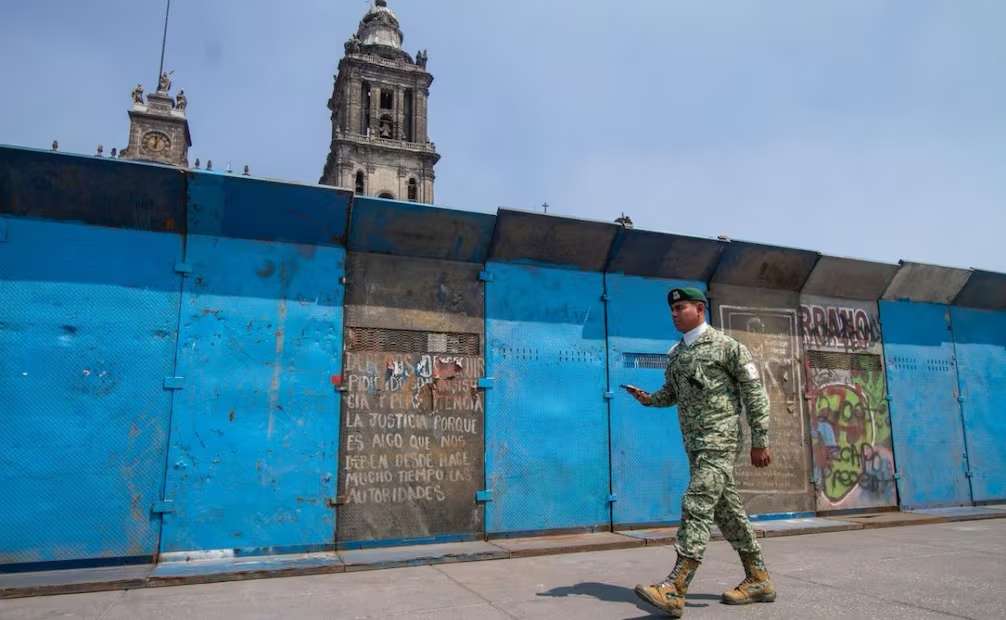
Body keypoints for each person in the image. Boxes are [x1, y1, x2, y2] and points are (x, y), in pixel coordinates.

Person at [626, 287, 776, 618]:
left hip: (720, 440)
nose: (674, 313)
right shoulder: (677, 353)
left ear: (699, 308)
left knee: (696, 502)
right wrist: (648, 399)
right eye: (672, 309)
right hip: (694, 444)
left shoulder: (728, 347)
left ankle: (675, 587)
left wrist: (760, 440)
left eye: (681, 307)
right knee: (727, 511)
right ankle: (758, 579)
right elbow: (672, 393)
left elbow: (754, 393)